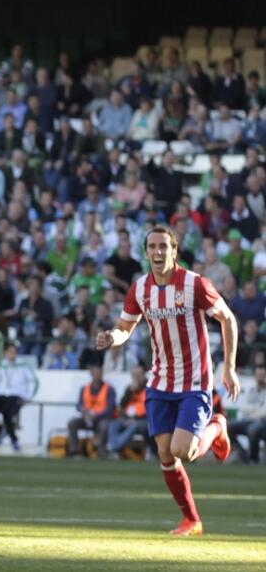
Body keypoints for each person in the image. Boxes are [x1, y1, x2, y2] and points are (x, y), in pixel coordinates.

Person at [96, 225, 240, 536]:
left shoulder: (194, 284)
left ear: (174, 250)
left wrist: (228, 367)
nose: (158, 252)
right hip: (160, 381)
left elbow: (227, 318)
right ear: (146, 252)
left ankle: (217, 425)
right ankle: (192, 520)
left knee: (183, 451)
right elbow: (125, 326)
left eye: (164, 246)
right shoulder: (140, 289)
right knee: (164, 454)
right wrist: (113, 337)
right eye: (152, 247)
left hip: (194, 381)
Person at [0, 343, 35, 452]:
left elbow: (32, 381)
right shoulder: (3, 365)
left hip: (16, 395)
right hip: (3, 395)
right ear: (6, 353)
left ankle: (13, 440)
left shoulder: (22, 365)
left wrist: (27, 397)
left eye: (14, 352)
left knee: (7, 413)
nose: (13, 354)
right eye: (10, 352)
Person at [66, 363, 116, 458]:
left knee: (104, 425)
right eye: (94, 372)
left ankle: (100, 450)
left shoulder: (109, 389)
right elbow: (78, 405)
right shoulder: (84, 388)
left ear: (102, 374)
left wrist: (97, 415)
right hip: (87, 418)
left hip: (101, 419)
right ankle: (74, 450)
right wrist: (82, 410)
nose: (96, 375)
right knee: (72, 423)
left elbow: (110, 408)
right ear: (91, 374)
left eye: (98, 372)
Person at [107, 364, 150, 458]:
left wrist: (134, 419)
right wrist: (130, 392)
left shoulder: (149, 388)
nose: (136, 378)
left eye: (138, 375)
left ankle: (114, 447)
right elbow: (122, 406)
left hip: (144, 420)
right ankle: (114, 446)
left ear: (144, 375)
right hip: (128, 418)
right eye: (134, 375)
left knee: (134, 426)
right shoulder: (129, 389)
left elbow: (151, 410)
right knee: (114, 424)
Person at [227, 363, 266, 464]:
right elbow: (243, 407)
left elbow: (264, 412)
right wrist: (257, 408)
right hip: (249, 420)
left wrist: (252, 410)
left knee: (253, 429)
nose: (260, 378)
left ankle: (254, 459)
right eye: (258, 375)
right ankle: (243, 455)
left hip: (262, 422)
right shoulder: (251, 390)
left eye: (262, 376)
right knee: (228, 426)